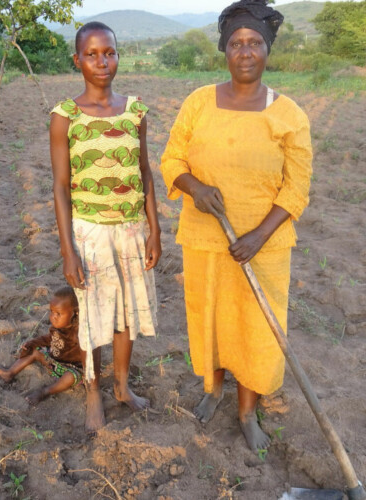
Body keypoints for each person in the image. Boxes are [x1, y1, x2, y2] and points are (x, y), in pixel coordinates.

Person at [161, 0, 312, 452]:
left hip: (264, 246)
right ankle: (213, 389)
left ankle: (247, 411)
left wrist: (258, 236)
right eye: (236, 43)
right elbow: (171, 159)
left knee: (256, 326)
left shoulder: (289, 115)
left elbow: (296, 188)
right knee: (209, 316)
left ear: (268, 50)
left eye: (254, 43)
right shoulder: (198, 102)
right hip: (205, 239)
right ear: (224, 51)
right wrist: (194, 187)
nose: (245, 51)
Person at [50, 22, 161, 433]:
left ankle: (121, 386)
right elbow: (61, 187)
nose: (102, 62)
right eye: (92, 54)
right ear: (77, 60)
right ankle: (94, 389)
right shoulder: (65, 117)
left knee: (126, 312)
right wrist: (68, 251)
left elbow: (145, 172)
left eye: (109, 53)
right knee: (94, 315)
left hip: (131, 230)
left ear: (118, 56)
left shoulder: (135, 112)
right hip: (90, 234)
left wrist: (155, 230)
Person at [0, 287, 83, 405]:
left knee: (71, 376)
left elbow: (89, 354)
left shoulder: (78, 333)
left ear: (75, 313)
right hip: (54, 363)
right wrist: (32, 344)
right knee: (34, 351)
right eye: (51, 311)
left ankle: (45, 391)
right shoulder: (58, 327)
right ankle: (9, 373)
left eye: (58, 313)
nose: (53, 316)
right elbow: (48, 339)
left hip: (71, 368)